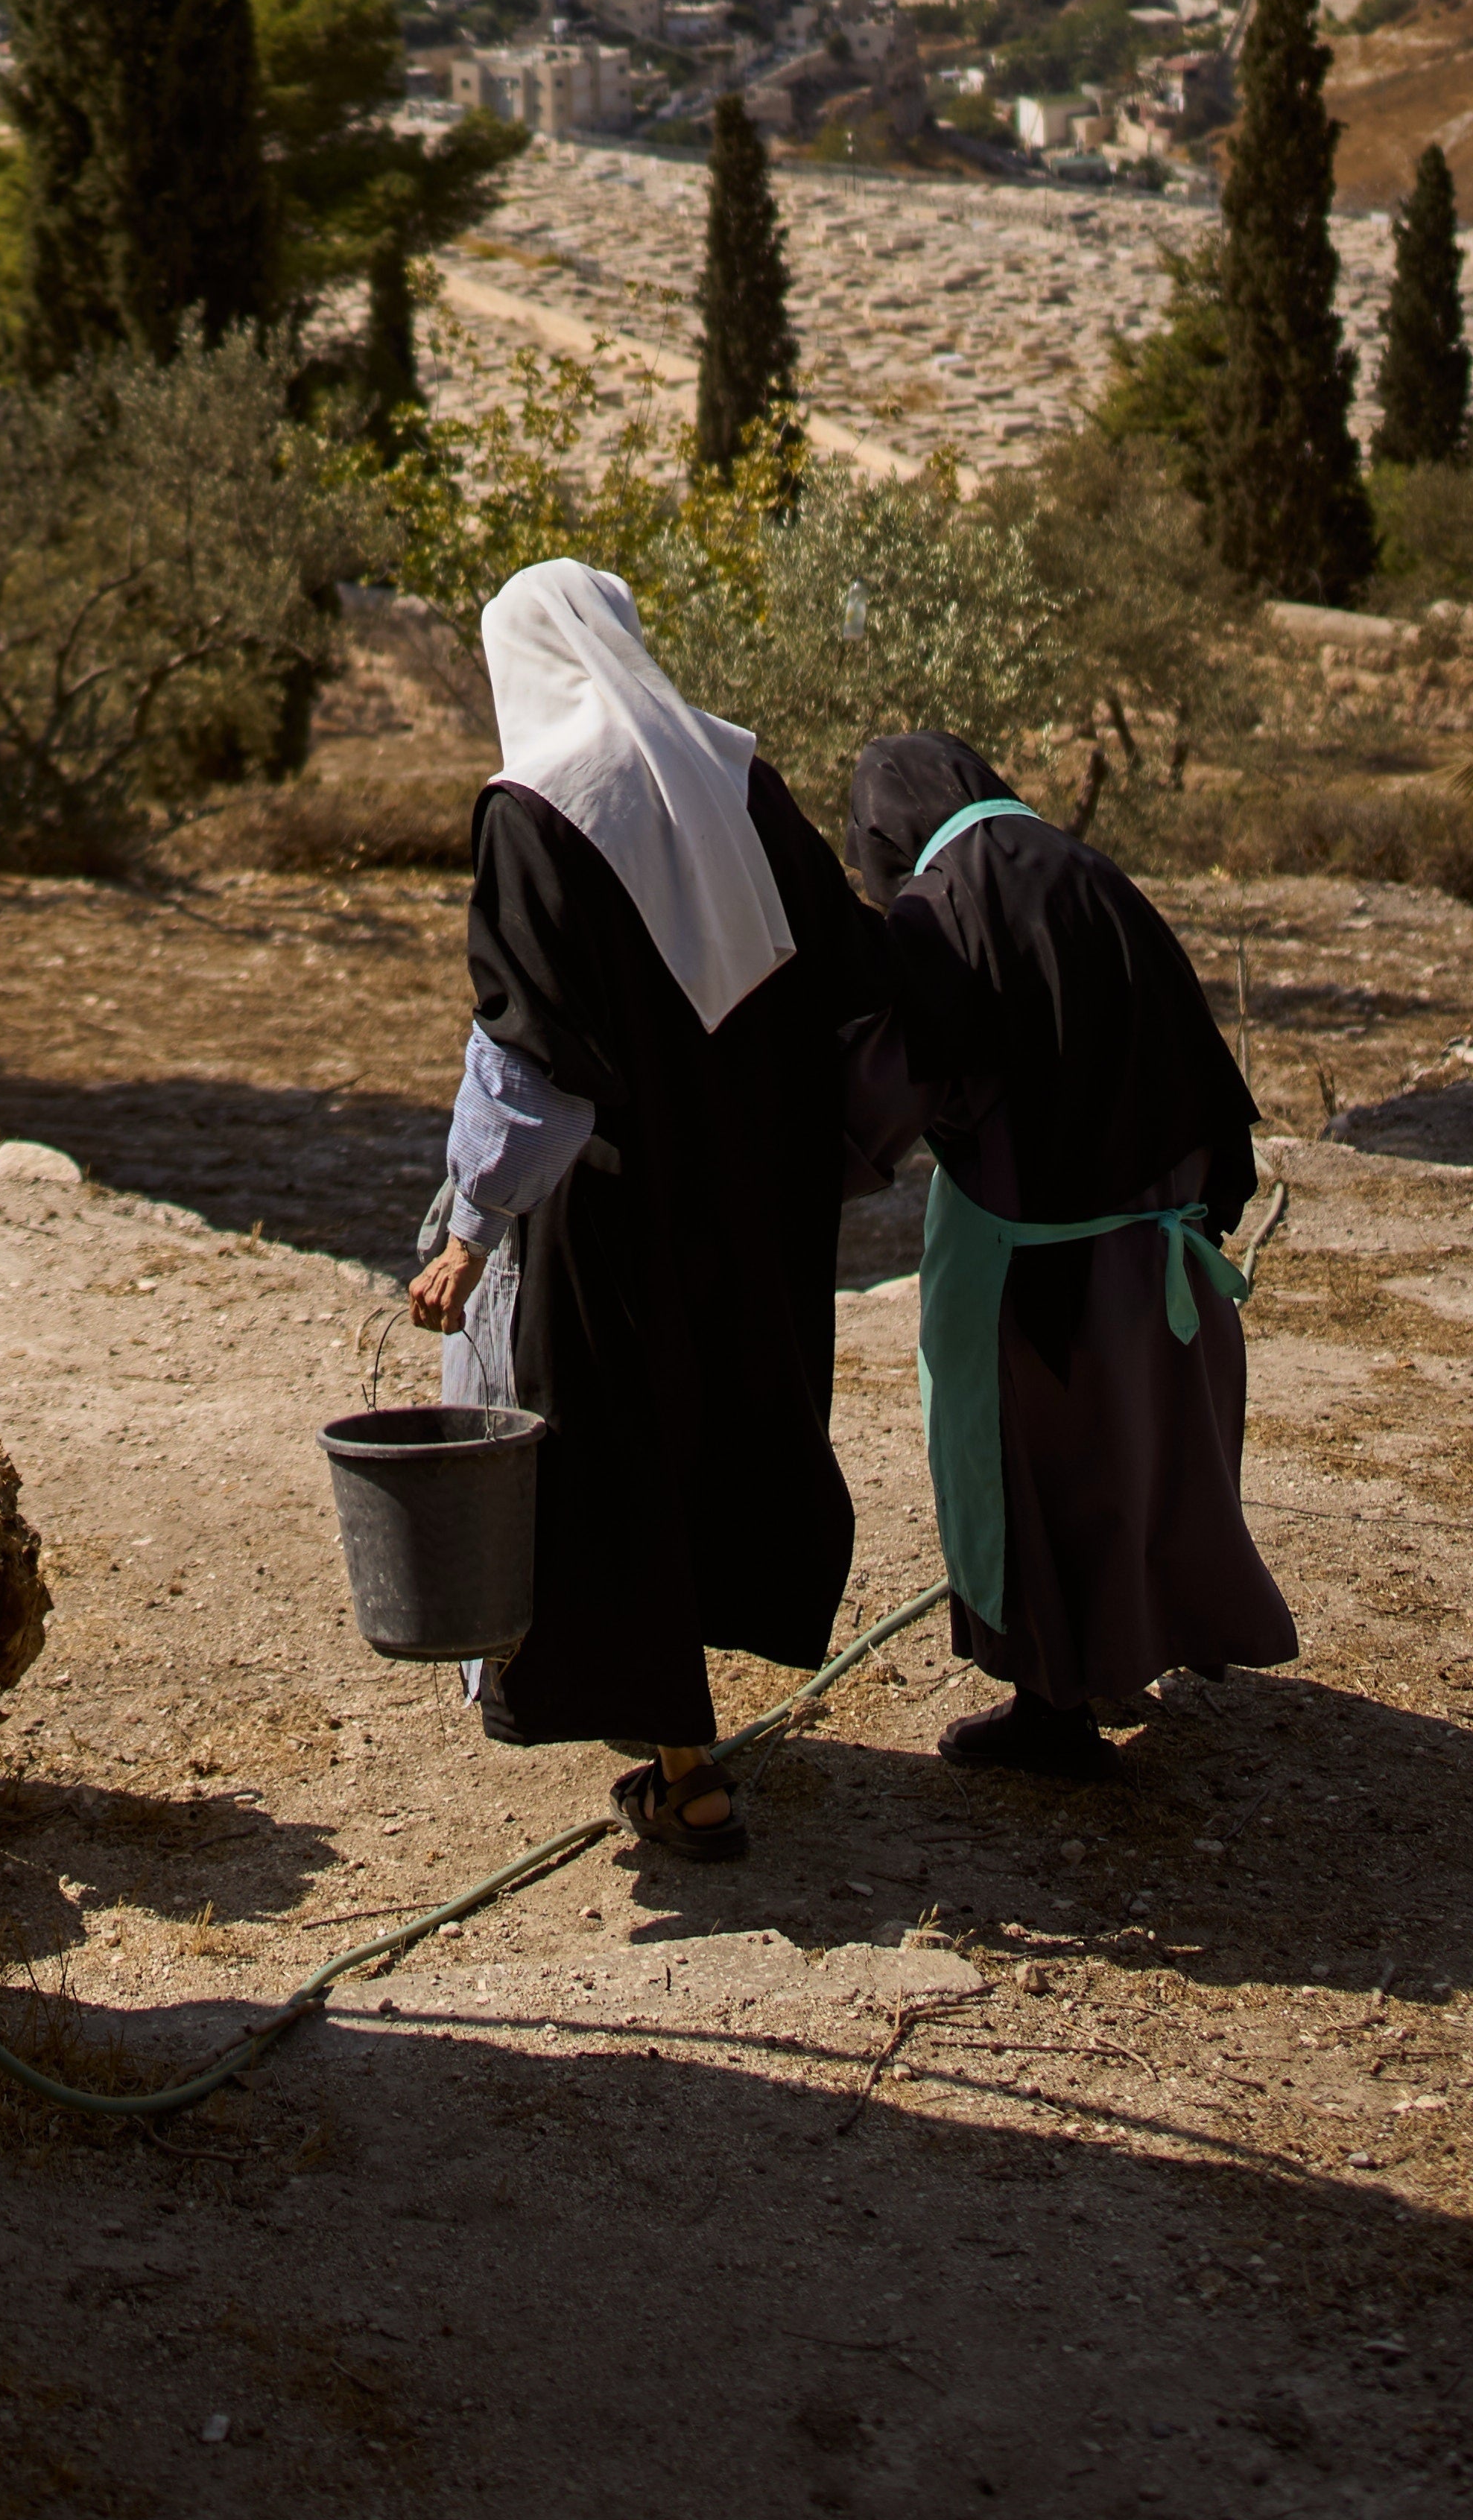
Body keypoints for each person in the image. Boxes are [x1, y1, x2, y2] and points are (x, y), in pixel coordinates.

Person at [404, 561, 886, 1859]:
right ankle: (680, 1740)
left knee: (607, 1457)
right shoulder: (736, 771)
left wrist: (470, 1223)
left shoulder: (531, 807)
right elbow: (847, 966)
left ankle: (687, 1768)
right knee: (712, 1428)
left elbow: (526, 1050)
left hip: (612, 1205)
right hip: (753, 1191)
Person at [840, 729, 1299, 1780]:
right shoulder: (1089, 869)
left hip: (1034, 1268)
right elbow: (1194, 1057)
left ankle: (1052, 1707)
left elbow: (889, 1094)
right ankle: (1128, 1651)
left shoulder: (940, 909)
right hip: (1162, 1250)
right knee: (1141, 1460)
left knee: (1031, 1483)